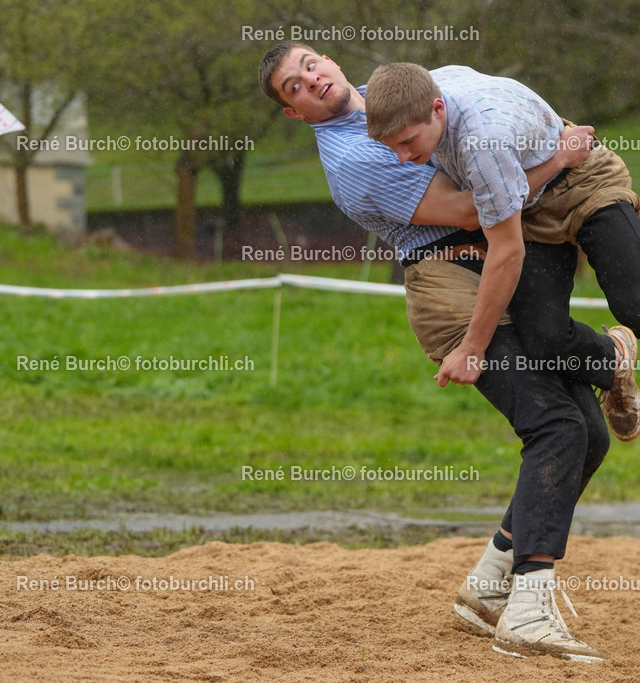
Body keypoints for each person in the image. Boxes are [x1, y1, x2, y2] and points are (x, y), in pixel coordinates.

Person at [260, 41, 621, 662]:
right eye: (293, 86)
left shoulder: (391, 100)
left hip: (486, 278)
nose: (310, 80)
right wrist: (556, 159)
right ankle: (528, 613)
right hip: (448, 289)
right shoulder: (356, 157)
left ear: (330, 62)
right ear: (293, 112)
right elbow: (471, 210)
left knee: (588, 434)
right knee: (557, 428)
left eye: (310, 64)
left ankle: (489, 585)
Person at [364, 63, 640, 435]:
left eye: (408, 143)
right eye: (391, 147)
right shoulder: (418, 90)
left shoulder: (483, 141)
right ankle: (614, 363)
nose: (402, 157)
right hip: (534, 206)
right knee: (543, 339)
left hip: (586, 182)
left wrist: (472, 348)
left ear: (437, 107)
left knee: (639, 306)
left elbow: (506, 252)